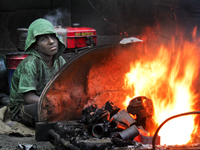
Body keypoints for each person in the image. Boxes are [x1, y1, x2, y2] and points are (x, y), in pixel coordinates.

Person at [9, 18, 66, 127]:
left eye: (53, 36)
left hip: (49, 102)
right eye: (44, 39)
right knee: (50, 111)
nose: (51, 41)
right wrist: (54, 102)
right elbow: (29, 98)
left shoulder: (60, 61)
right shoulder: (30, 64)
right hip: (24, 108)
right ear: (35, 45)